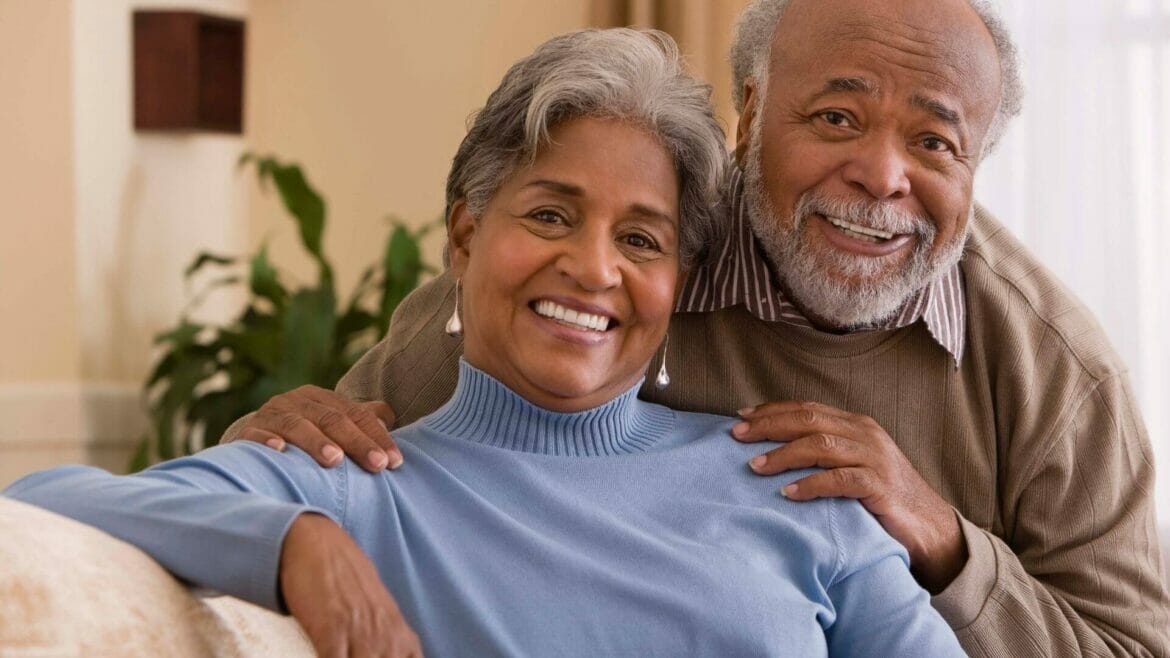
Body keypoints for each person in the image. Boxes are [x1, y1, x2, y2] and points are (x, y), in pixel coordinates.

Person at [227, 1, 1170, 656]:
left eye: (934, 142)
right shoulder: (604, 268)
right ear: (750, 113)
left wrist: (945, 541)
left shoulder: (1056, 373)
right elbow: (318, 466)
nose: (883, 175)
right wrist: (281, 450)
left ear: (976, 164)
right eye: (837, 116)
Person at [3, 28, 964, 657]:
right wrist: (295, 540)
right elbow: (39, 503)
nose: (593, 269)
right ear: (465, 236)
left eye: (641, 240)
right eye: (550, 216)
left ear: (675, 285)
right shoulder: (354, 483)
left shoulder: (790, 489)